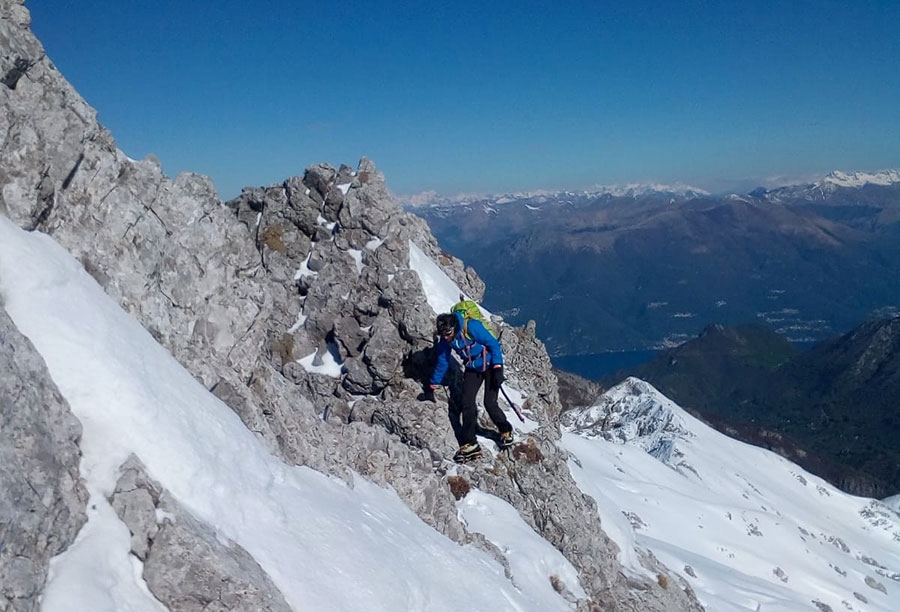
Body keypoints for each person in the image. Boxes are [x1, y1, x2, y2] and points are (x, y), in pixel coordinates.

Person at [420, 312, 514, 463]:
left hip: (490, 365)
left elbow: (493, 344)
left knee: (490, 403)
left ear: (455, 327)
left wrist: (498, 368)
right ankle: (470, 443)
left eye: (448, 333)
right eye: (443, 334)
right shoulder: (446, 340)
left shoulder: (471, 327)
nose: (446, 337)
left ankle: (506, 429)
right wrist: (431, 386)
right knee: (467, 402)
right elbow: (442, 361)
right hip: (473, 367)